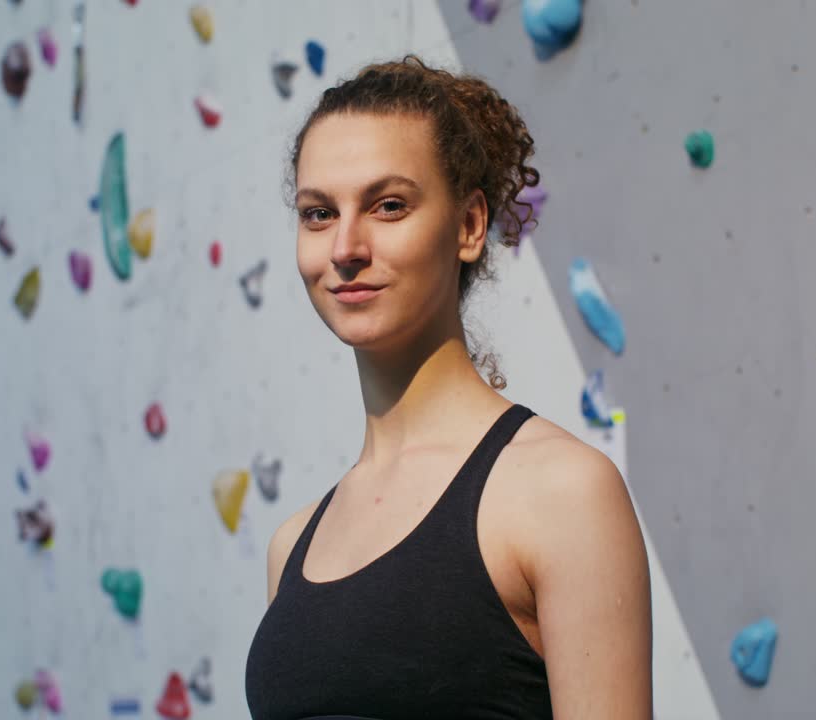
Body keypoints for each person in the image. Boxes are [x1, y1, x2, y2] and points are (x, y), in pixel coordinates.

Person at [245, 55, 652, 719]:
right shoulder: (291, 548)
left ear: (469, 226)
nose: (345, 247)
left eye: (389, 206)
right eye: (318, 213)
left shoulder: (563, 494)